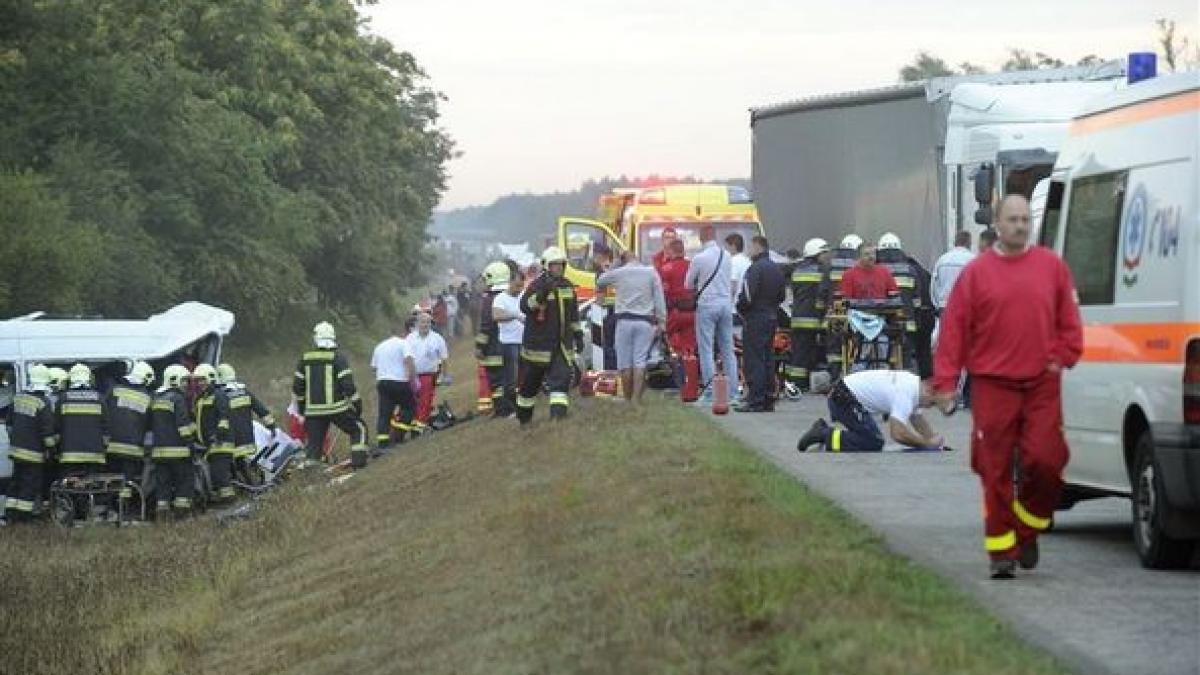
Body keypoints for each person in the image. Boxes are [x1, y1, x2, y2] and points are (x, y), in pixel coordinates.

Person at [933, 194, 1083, 580]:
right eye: (1012, 219)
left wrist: (1063, 356)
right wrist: (946, 383)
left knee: (1047, 462)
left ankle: (1026, 528)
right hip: (992, 385)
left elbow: (1070, 322)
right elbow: (954, 331)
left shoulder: (1052, 267)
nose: (1019, 226)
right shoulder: (977, 274)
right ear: (997, 224)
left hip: (1041, 384)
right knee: (994, 467)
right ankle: (1001, 552)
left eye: (1024, 220)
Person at [796, 369, 948, 453]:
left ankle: (825, 432)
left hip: (847, 396)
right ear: (929, 390)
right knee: (872, 442)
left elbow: (917, 418)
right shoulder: (906, 393)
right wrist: (925, 444)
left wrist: (933, 438)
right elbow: (898, 434)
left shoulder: (914, 385)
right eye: (933, 403)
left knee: (871, 439)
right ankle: (824, 434)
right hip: (844, 399)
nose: (930, 407)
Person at [516, 246, 582, 424]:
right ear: (546, 266)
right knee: (530, 385)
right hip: (538, 346)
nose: (558, 268)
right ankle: (524, 419)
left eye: (561, 264)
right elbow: (525, 306)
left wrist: (578, 334)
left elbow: (573, 313)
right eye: (554, 264)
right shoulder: (536, 285)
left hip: (560, 345)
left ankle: (557, 419)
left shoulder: (567, 285)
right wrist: (542, 294)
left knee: (561, 380)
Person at [294, 321, 371, 468]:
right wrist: (357, 404)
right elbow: (348, 385)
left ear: (316, 338)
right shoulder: (338, 358)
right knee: (359, 428)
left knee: (314, 446)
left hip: (313, 411)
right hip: (336, 409)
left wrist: (303, 409)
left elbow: (298, 387)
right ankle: (359, 462)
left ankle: (312, 474)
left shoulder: (305, 359)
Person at [596, 250, 668, 403]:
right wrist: (662, 321)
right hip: (645, 322)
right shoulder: (651, 272)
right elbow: (659, 298)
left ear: (622, 261)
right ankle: (636, 399)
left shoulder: (620, 273)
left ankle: (627, 399)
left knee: (624, 363)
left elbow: (600, 281)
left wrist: (614, 266)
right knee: (640, 361)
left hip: (624, 321)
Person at [686, 227, 737, 403]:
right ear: (715, 236)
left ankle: (710, 392)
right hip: (725, 304)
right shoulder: (727, 256)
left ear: (701, 238)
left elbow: (688, 284)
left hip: (707, 304)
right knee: (728, 349)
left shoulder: (699, 258)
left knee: (706, 349)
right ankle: (733, 393)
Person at [736, 235, 787, 412]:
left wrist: (741, 308)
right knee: (768, 358)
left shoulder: (755, 269)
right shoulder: (776, 269)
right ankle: (768, 398)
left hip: (755, 317)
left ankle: (755, 399)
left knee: (754, 359)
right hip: (771, 316)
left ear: (758, 246)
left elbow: (747, 296)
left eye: (751, 247)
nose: (749, 251)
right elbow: (782, 296)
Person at [4, 364, 56, 522]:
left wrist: (16, 440)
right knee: (29, 484)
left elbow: (9, 424)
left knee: (16, 482)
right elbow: (47, 434)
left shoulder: (18, 397)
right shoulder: (43, 402)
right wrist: (52, 450)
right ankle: (24, 517)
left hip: (16, 451)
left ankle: (10, 514)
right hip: (33, 454)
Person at [105, 361, 155, 506]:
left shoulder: (114, 390)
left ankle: (110, 506)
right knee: (127, 481)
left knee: (111, 478)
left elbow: (104, 412)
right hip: (133, 449)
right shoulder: (148, 397)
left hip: (112, 446)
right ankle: (124, 507)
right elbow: (150, 425)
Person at [876, 232, 928, 372]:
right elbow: (917, 299)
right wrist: (915, 318)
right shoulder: (910, 269)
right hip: (906, 321)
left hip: (881, 323)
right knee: (905, 355)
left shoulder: (876, 270)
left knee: (881, 355)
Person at [215, 362, 276, 478]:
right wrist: (271, 426)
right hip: (248, 439)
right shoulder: (244, 391)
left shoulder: (220, 396)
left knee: (233, 464)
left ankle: (243, 481)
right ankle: (251, 479)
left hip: (231, 441)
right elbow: (261, 410)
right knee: (242, 462)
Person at [151, 364, 197, 516]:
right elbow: (182, 426)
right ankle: (181, 513)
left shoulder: (155, 398)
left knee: (162, 484)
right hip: (178, 452)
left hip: (158, 453)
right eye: (183, 380)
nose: (186, 384)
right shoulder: (178, 398)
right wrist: (191, 444)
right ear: (174, 380)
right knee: (184, 481)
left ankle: (162, 513)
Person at [787, 238, 832, 393]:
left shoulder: (797, 270)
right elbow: (823, 294)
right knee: (815, 351)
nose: (827, 256)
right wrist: (823, 314)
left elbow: (795, 293)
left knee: (799, 353)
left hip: (798, 318)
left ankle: (797, 384)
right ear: (816, 254)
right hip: (814, 319)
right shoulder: (822, 270)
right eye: (824, 253)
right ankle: (810, 382)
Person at [370, 321, 418, 448]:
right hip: (399, 382)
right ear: (401, 332)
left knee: (384, 414)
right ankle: (398, 435)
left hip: (383, 383)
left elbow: (374, 368)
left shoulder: (379, 347)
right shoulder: (403, 343)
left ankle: (383, 442)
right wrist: (413, 380)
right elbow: (409, 361)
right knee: (410, 408)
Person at [191, 363, 234, 501]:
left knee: (220, 475)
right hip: (208, 444)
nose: (200, 383)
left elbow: (223, 417)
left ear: (211, 378)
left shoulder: (219, 395)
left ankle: (229, 501)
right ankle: (219, 498)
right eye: (198, 381)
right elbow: (197, 420)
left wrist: (218, 435)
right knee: (213, 475)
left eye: (202, 380)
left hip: (221, 443)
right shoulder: (200, 398)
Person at [57, 363, 107, 479]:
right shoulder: (99, 398)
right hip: (94, 455)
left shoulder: (63, 399)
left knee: (70, 485)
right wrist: (104, 447)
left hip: (69, 455)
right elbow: (106, 426)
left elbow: (56, 426)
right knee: (92, 485)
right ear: (89, 378)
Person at [476, 261, 512, 417]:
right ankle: (509, 408)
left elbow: (486, 326)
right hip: (512, 346)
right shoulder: (513, 296)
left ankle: (502, 410)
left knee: (496, 381)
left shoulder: (489, 300)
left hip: (494, 349)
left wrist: (480, 346)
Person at [826, 233, 864, 379]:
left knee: (834, 345)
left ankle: (835, 376)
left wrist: (822, 308)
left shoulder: (830, 264)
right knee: (857, 344)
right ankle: (854, 375)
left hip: (835, 313)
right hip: (856, 314)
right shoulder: (860, 264)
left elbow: (823, 289)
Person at [491, 264, 526, 416]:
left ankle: (522, 403)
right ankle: (508, 409)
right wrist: (515, 315)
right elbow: (496, 316)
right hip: (508, 343)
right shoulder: (500, 298)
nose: (519, 289)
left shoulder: (523, 296)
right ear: (510, 282)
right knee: (510, 378)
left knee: (523, 376)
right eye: (517, 285)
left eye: (521, 286)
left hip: (524, 341)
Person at [407, 312, 449, 424]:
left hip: (428, 375)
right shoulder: (410, 338)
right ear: (417, 324)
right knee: (413, 400)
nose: (425, 325)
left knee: (425, 400)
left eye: (427, 322)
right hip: (412, 375)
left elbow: (444, 358)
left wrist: (444, 375)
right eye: (422, 322)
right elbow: (405, 357)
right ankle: (414, 421)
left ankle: (421, 423)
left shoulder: (437, 338)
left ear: (431, 324)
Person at [659, 238, 696, 357]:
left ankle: (677, 364)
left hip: (674, 313)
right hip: (692, 313)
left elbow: (662, 293)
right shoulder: (692, 266)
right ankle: (690, 365)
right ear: (683, 250)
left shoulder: (666, 269)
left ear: (671, 251)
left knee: (671, 346)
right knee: (690, 347)